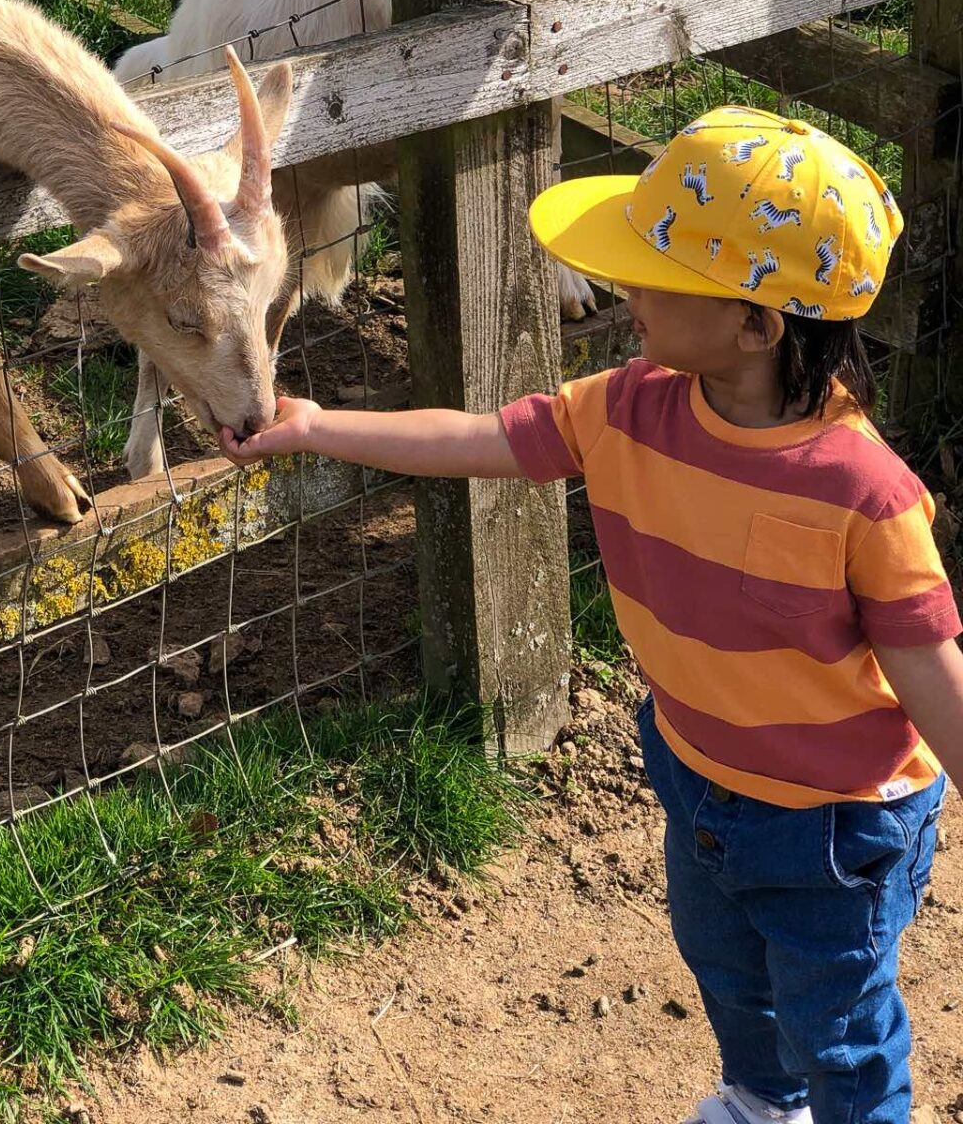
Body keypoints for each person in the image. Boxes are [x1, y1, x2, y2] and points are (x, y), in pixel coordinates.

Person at [221, 105, 963, 1124]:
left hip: (838, 825)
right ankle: (761, 1100)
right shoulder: (627, 406)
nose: (624, 283)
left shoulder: (862, 494)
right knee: (725, 969)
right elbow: (477, 439)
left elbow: (928, 670)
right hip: (698, 774)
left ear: (756, 324)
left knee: (838, 1017)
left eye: (654, 266)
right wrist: (318, 424)